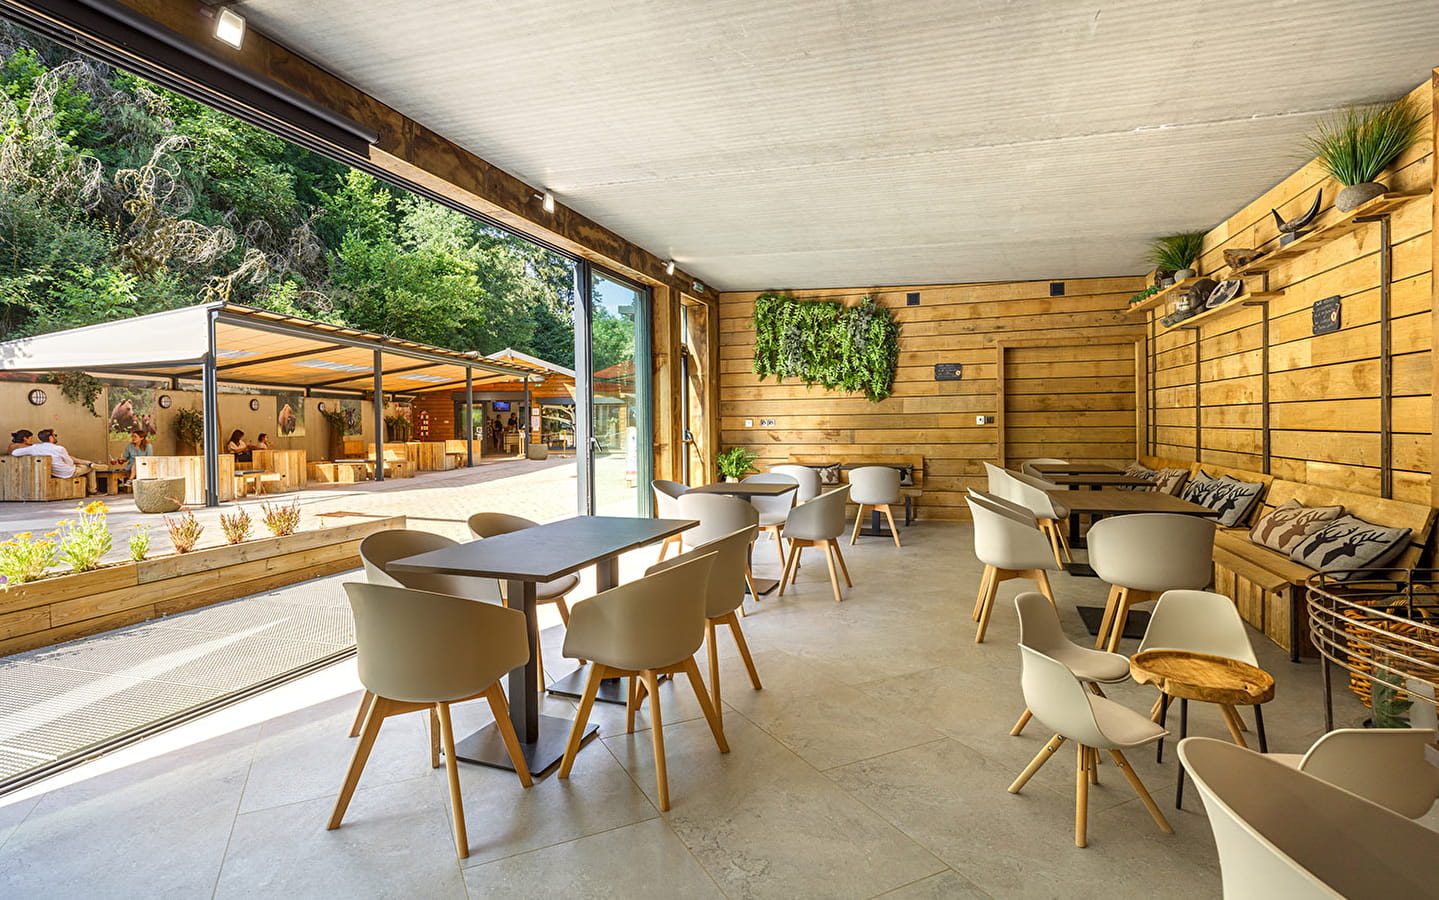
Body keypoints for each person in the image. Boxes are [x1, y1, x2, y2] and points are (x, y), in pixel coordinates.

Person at [14, 428, 96, 492]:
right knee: (91, 468)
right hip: (67, 472)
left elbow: (15, 453)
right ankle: (92, 490)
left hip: (53, 472)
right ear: (50, 438)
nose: (56, 437)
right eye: (55, 435)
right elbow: (70, 463)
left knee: (79, 464)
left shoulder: (35, 448)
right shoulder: (59, 449)